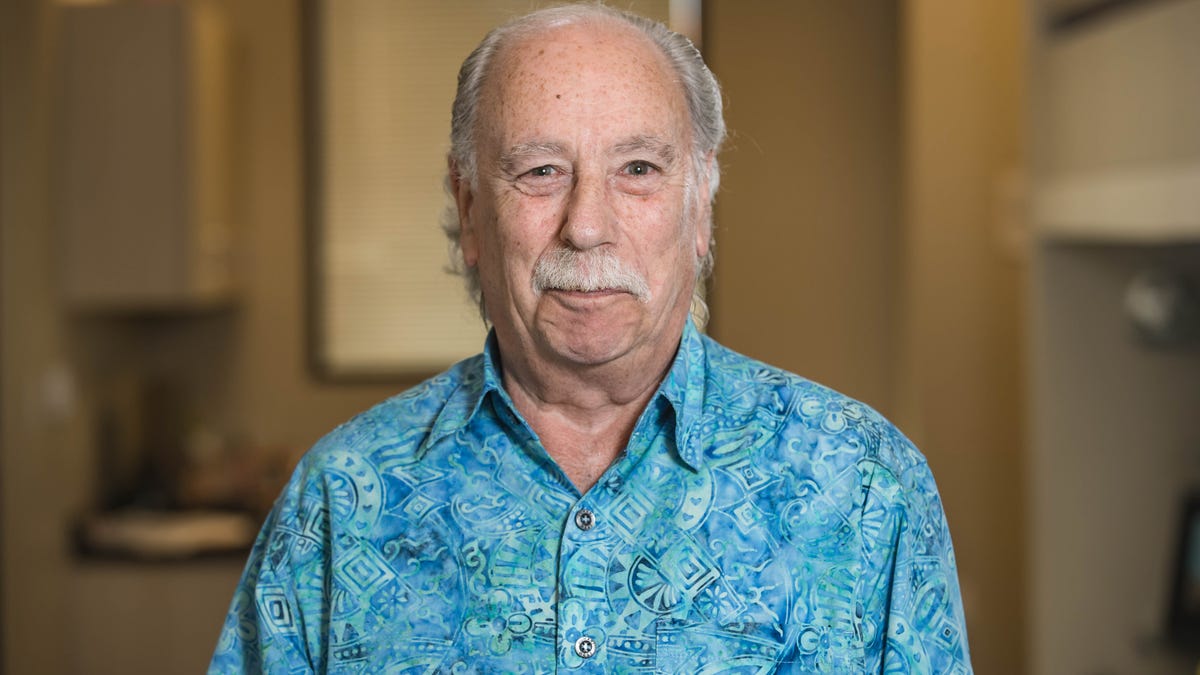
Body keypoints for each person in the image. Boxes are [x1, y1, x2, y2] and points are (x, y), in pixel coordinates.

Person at [209, 4, 972, 673]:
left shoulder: (863, 485)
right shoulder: (339, 499)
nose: (586, 226)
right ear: (470, 210)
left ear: (700, 207)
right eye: (541, 171)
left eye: (637, 168)